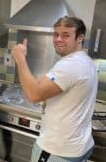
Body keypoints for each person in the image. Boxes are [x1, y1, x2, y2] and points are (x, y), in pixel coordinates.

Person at [11, 16, 98, 162]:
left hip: (57, 150)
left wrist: (20, 59)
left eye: (66, 35)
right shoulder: (86, 61)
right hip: (78, 147)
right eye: (56, 34)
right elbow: (44, 87)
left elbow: (34, 94)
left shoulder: (70, 65)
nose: (58, 39)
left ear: (80, 38)